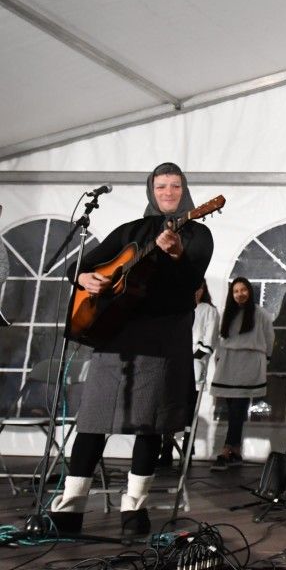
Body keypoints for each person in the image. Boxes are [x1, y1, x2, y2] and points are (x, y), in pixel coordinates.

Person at [48, 163, 213, 537]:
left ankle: (133, 510)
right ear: (150, 191)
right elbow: (85, 264)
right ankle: (69, 509)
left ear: (185, 191)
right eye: (161, 186)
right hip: (115, 335)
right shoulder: (128, 231)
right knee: (92, 420)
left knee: (149, 424)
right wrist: (80, 275)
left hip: (162, 335)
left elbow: (190, 280)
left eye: (175, 186)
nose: (168, 193)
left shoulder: (198, 233)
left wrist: (174, 256)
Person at [210, 277, 274, 470]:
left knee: (237, 409)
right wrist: (220, 359)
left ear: (249, 291)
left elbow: (269, 338)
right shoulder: (227, 314)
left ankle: (226, 450)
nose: (240, 294)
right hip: (229, 364)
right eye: (236, 291)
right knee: (233, 411)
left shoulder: (260, 314)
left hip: (249, 365)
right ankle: (236, 453)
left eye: (243, 290)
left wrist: (266, 360)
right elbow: (219, 340)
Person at [159, 280, 219, 469]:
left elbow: (209, 341)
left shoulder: (208, 310)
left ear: (203, 289)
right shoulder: (177, 310)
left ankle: (186, 452)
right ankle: (166, 451)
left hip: (192, 366)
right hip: (172, 367)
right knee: (167, 410)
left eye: (198, 288)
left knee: (187, 413)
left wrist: (188, 356)